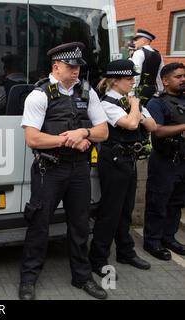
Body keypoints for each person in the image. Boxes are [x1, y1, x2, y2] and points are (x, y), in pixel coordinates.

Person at [19, 42, 109, 300]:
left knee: (80, 225)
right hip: (50, 169)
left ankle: (82, 277)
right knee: (39, 224)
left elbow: (103, 132)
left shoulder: (87, 93)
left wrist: (85, 132)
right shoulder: (39, 95)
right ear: (56, 67)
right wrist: (66, 139)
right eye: (70, 66)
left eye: (78, 66)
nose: (76, 71)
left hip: (79, 170)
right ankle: (28, 279)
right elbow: (33, 139)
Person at [89, 59, 157, 279]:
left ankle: (125, 252)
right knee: (110, 211)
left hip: (129, 159)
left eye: (133, 78)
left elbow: (153, 125)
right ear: (115, 81)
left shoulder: (128, 101)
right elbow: (130, 124)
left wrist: (135, 111)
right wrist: (136, 107)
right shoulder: (107, 102)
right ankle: (98, 259)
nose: (133, 82)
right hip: (114, 159)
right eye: (129, 79)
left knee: (125, 210)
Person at [143, 63, 185, 260]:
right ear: (165, 81)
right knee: (158, 202)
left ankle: (168, 237)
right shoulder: (156, 103)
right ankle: (152, 241)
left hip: (182, 161)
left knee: (176, 203)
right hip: (165, 160)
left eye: (184, 76)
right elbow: (157, 130)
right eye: (178, 77)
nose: (183, 79)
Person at [131, 29, 164, 103]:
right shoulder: (158, 54)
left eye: (136, 40)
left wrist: (131, 93)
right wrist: (161, 89)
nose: (134, 42)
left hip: (140, 90)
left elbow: (136, 74)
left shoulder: (139, 53)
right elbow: (160, 74)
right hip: (153, 89)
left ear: (143, 41)